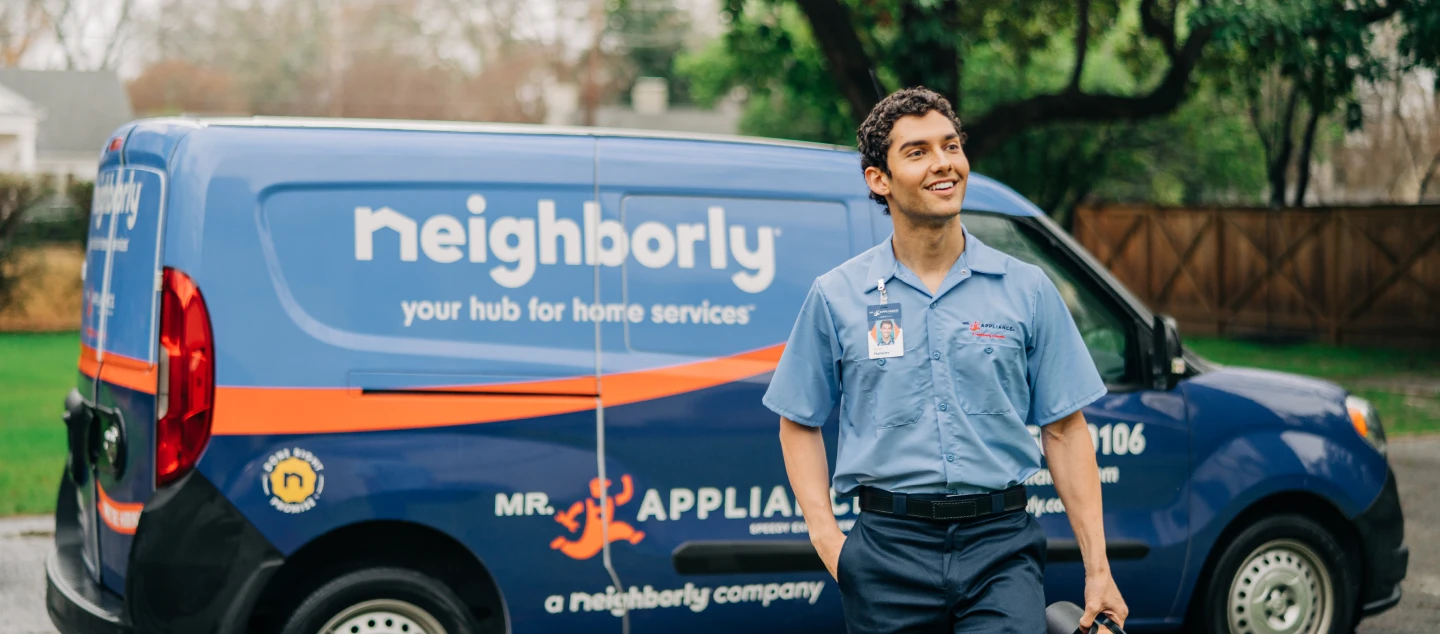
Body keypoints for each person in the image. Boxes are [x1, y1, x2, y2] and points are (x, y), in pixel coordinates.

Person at [763, 87, 1127, 634]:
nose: (943, 164)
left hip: (1000, 546)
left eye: (951, 146)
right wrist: (830, 541)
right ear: (878, 180)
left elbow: (1066, 430)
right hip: (887, 551)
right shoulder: (837, 295)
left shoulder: (1025, 289)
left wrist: (1098, 568)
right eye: (917, 152)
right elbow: (798, 421)